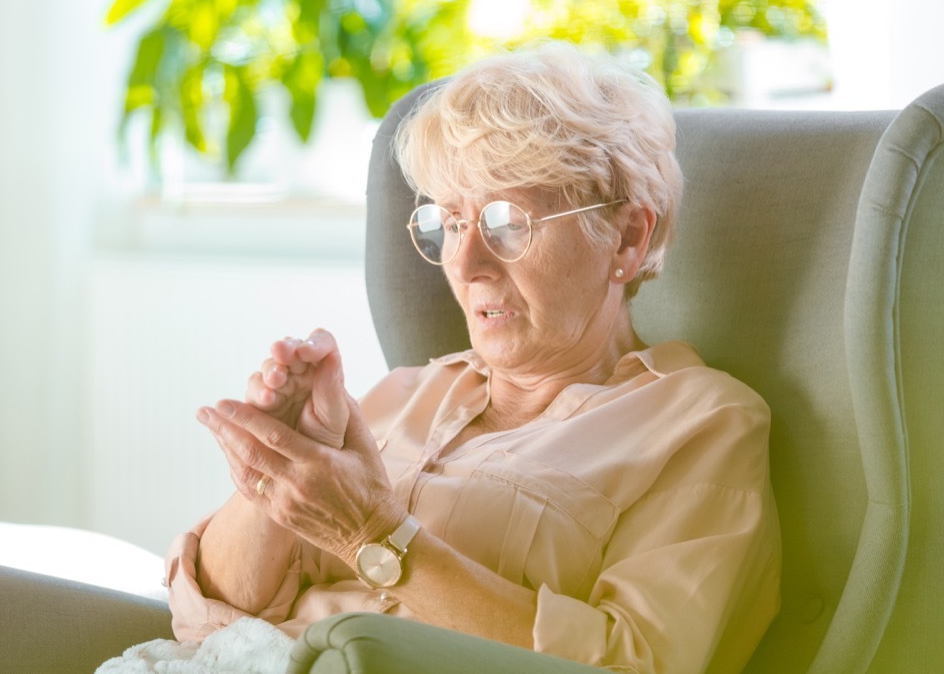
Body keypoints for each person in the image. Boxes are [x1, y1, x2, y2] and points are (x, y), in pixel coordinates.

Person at [165, 42, 781, 674]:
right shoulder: (402, 394)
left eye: (508, 222)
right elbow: (202, 620)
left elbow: (633, 665)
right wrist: (277, 471)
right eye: (452, 223)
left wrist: (377, 538)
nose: (465, 263)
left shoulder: (700, 423)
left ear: (626, 237)